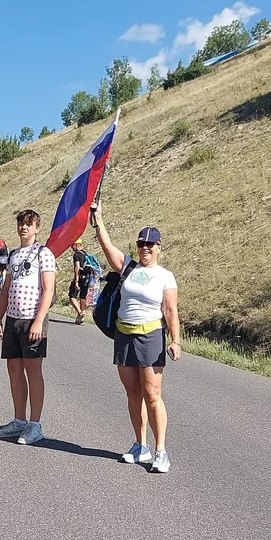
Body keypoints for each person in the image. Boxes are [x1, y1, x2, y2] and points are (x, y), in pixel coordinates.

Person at [92, 201, 181, 473]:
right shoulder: (129, 268)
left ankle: (160, 451)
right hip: (124, 335)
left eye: (150, 244)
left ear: (159, 247)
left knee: (152, 395)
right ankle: (140, 445)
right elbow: (108, 248)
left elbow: (170, 310)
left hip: (150, 335)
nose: (145, 248)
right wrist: (99, 219)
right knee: (132, 393)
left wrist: (175, 340)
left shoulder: (165, 276)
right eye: (141, 243)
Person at [0, 209, 56, 445]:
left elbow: (48, 289)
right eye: (21, 223)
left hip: (32, 319)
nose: (24, 227)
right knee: (14, 371)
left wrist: (39, 320)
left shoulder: (44, 253)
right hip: (13, 319)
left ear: (37, 227)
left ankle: (35, 424)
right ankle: (19, 420)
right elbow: (6, 289)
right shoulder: (13, 255)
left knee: (33, 371)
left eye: (29, 224)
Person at [68, 239, 90, 325]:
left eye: (72, 245)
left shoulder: (76, 255)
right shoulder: (85, 254)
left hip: (80, 278)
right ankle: (81, 318)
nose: (71, 247)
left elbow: (77, 268)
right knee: (83, 297)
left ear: (77, 244)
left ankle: (80, 312)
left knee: (72, 296)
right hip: (87, 279)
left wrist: (76, 281)